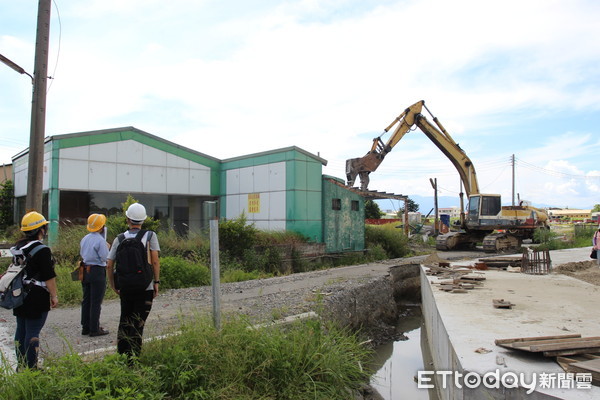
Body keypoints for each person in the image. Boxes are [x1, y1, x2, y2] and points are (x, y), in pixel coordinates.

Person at [107, 203, 160, 359]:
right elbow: (155, 261)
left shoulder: (119, 238)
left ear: (127, 219)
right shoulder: (150, 236)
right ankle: (133, 359)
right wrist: (156, 282)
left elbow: (109, 264)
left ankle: (122, 357)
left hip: (125, 287)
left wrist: (113, 284)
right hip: (145, 286)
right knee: (138, 323)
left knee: (125, 319)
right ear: (143, 220)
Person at [11, 211, 58, 370]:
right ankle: (32, 368)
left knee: (21, 331)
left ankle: (21, 366)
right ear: (41, 229)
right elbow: (48, 276)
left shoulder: (18, 247)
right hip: (37, 295)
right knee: (32, 333)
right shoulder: (42, 249)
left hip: (19, 294)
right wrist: (54, 296)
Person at [80, 213, 110, 336]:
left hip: (85, 269)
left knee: (86, 299)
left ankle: (85, 327)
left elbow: (82, 253)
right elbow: (105, 258)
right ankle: (94, 328)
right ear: (101, 226)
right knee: (96, 301)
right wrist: (108, 247)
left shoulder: (85, 238)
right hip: (97, 270)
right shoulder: (100, 240)